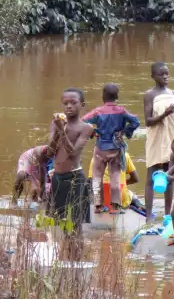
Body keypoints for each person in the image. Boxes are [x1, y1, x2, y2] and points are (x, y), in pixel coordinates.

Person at [48, 87, 94, 261]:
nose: (68, 106)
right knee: (61, 223)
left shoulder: (86, 128)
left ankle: (76, 263)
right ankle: (66, 259)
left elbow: (73, 153)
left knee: (75, 225)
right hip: (58, 178)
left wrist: (62, 131)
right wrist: (59, 130)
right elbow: (50, 151)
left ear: (82, 105)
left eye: (73, 103)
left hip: (75, 179)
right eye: (65, 103)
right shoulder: (56, 123)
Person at [82, 83, 140, 214]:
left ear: (103, 96)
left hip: (100, 148)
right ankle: (115, 207)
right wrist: (124, 131)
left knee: (97, 177)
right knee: (115, 176)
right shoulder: (122, 111)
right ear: (117, 97)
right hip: (116, 148)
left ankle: (98, 205)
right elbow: (136, 121)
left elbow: (83, 122)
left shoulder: (98, 112)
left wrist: (93, 132)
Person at [143, 62, 174, 223]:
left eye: (166, 74)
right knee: (152, 177)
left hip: (171, 138)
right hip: (156, 139)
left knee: (169, 177)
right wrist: (164, 113)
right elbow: (148, 121)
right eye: (161, 74)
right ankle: (148, 216)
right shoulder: (149, 95)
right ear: (153, 77)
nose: (165, 77)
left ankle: (168, 215)